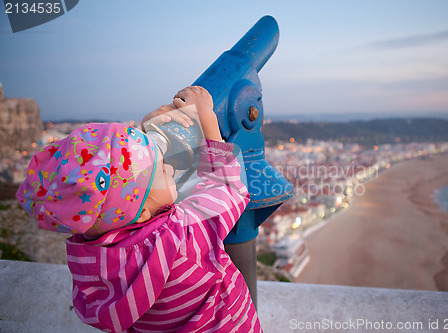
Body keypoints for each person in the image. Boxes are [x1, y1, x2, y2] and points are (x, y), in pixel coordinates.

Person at [16, 86, 263, 332]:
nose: (168, 167)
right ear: (143, 212)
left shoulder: (89, 252)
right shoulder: (181, 241)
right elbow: (228, 187)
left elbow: (125, 191)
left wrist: (144, 136)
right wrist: (207, 118)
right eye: (161, 168)